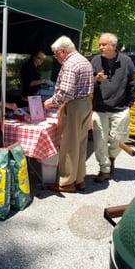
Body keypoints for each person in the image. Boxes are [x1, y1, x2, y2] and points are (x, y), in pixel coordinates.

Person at [44, 36, 94, 193]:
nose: (55, 57)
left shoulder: (70, 64)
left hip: (74, 106)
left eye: (55, 54)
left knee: (68, 145)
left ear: (62, 51)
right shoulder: (83, 60)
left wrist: (51, 102)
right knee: (80, 144)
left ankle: (66, 183)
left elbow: (65, 92)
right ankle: (79, 180)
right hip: (86, 103)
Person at [91, 33, 135, 183]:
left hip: (120, 108)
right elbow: (87, 83)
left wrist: (129, 102)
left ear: (113, 45)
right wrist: (96, 80)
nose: (100, 47)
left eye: (103, 44)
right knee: (99, 141)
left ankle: (111, 158)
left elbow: (132, 83)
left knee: (119, 139)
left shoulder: (126, 61)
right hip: (100, 108)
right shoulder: (96, 60)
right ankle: (104, 169)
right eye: (100, 44)